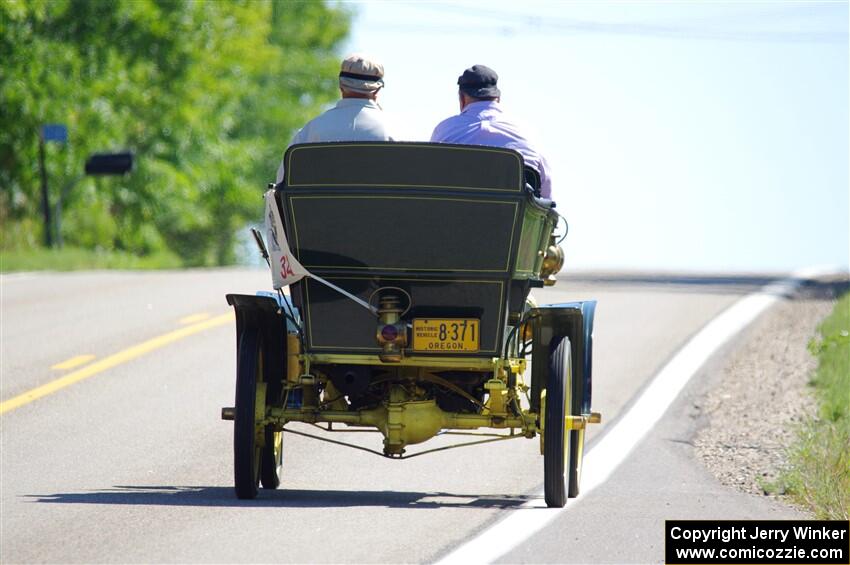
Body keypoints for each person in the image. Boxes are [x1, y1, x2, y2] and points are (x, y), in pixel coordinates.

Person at [430, 64, 552, 199]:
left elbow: (431, 178)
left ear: (462, 99)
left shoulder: (444, 130)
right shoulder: (528, 132)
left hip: (455, 217)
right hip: (515, 218)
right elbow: (546, 189)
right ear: (498, 98)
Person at [276, 54, 395, 184]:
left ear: (341, 86)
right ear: (377, 89)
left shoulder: (311, 131)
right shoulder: (399, 132)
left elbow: (281, 186)